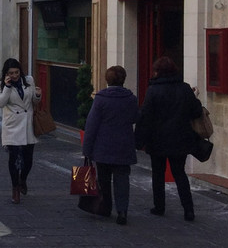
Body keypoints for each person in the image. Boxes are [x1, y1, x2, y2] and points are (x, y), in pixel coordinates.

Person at [134, 56, 203, 221]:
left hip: (157, 139)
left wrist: (138, 140)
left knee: (158, 174)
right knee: (179, 173)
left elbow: (145, 116)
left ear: (158, 72)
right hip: (180, 138)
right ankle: (188, 210)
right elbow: (196, 112)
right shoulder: (185, 89)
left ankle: (159, 207)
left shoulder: (153, 91)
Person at [82, 65, 139, 224]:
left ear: (107, 80)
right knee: (122, 179)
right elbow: (135, 117)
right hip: (123, 144)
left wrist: (87, 149)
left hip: (103, 146)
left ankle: (105, 207)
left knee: (104, 179)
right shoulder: (131, 98)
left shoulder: (101, 98)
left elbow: (92, 124)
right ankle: (122, 211)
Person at [0, 57, 43, 205]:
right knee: (14, 158)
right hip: (12, 126)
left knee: (28, 159)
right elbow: (1, 103)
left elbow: (34, 102)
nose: (14, 75)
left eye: (16, 72)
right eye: (11, 73)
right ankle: (15, 188)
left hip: (27, 124)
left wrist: (37, 95)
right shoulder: (0, 85)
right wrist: (8, 87)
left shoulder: (28, 80)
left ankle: (23, 179)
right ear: (6, 73)